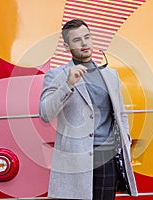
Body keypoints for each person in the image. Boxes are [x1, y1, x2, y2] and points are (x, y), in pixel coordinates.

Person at [39, 19, 137, 200]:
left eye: (87, 37)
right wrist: (68, 84)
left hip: (107, 156)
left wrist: (126, 143)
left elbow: (120, 113)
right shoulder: (57, 75)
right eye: (77, 40)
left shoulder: (110, 75)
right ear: (67, 46)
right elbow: (45, 113)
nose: (84, 43)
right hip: (75, 158)